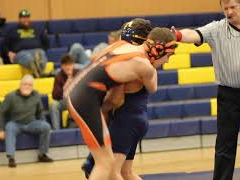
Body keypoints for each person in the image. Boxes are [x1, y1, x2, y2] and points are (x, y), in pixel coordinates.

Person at [171, 0, 240, 179]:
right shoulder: (216, 29)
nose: (229, 12)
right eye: (225, 8)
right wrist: (177, 35)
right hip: (229, 95)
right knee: (224, 146)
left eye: (233, 7)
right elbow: (195, 34)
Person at [64, 27, 177, 180]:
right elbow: (152, 88)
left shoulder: (119, 46)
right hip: (85, 99)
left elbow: (95, 60)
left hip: (76, 93)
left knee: (109, 165)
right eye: (168, 56)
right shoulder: (144, 66)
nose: (167, 61)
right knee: (105, 163)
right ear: (158, 49)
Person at [81, 18, 154, 180]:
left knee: (110, 172)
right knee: (125, 172)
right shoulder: (143, 58)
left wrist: (102, 110)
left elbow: (116, 99)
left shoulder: (130, 61)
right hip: (137, 117)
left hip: (125, 120)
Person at [0, 75, 53, 168]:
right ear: (20, 85)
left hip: (31, 123)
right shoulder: (11, 96)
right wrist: (0, 129)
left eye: (30, 85)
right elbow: (0, 113)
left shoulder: (36, 95)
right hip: (15, 123)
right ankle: (11, 158)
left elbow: (40, 112)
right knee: (9, 127)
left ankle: (42, 155)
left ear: (33, 86)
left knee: (46, 127)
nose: (27, 86)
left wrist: (44, 122)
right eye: (25, 84)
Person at [4, 9, 49, 78]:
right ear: (19, 19)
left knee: (41, 53)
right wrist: (8, 52)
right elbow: (4, 44)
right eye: (23, 18)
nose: (26, 20)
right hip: (20, 53)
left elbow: (46, 42)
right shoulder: (12, 30)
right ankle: (39, 73)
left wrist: (42, 49)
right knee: (28, 57)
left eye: (27, 17)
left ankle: (37, 72)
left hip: (36, 51)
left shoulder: (37, 29)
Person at [50, 54, 78, 130]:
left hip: (78, 100)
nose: (68, 67)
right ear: (62, 66)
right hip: (64, 101)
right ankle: (57, 130)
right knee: (54, 105)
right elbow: (54, 96)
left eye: (70, 64)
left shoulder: (78, 73)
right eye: (66, 65)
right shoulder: (59, 76)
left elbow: (85, 90)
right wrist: (64, 88)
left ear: (73, 65)